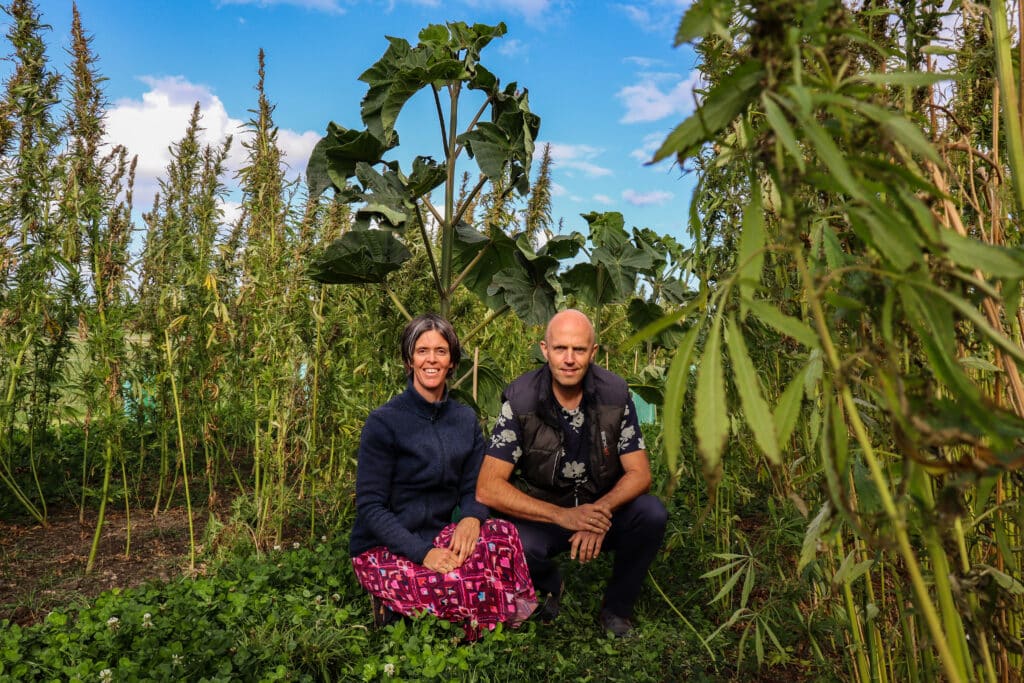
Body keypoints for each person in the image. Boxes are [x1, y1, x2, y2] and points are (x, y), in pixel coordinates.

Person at [476, 309, 667, 638]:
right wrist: (563, 516)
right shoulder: (520, 400)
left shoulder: (616, 395)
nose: (569, 359)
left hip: (599, 508)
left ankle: (616, 610)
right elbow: (488, 488)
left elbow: (640, 473)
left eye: (578, 350)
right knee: (506, 536)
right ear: (545, 349)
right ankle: (551, 584)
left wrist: (598, 514)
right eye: (560, 348)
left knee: (651, 513)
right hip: (544, 514)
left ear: (593, 352)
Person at [349, 313, 537, 639]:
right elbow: (370, 506)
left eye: (441, 351)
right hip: (385, 547)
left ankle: (436, 610)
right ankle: (405, 610)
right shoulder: (384, 422)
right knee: (455, 582)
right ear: (409, 360)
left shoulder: (464, 419)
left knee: (502, 534)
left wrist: (472, 519)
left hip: (441, 535)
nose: (431, 360)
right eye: (422, 351)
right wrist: (424, 553)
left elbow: (474, 487)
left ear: (452, 362)